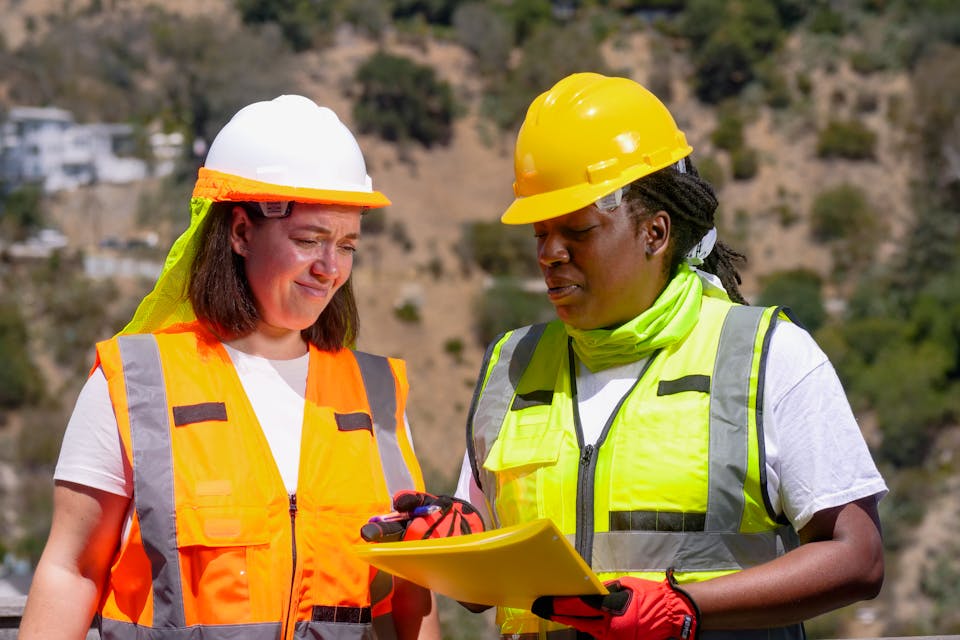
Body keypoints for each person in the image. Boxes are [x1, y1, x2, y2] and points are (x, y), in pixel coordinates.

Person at [453, 73, 888, 640]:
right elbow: (477, 583)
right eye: (539, 233)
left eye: (576, 231)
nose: (550, 253)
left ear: (655, 233)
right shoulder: (512, 367)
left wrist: (686, 607)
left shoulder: (765, 356)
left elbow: (858, 558)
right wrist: (447, 535)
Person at [19, 95, 441, 640]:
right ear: (240, 232)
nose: (330, 269)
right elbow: (72, 571)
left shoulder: (377, 395)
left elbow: (409, 596)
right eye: (309, 240)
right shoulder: (137, 386)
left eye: (347, 246)